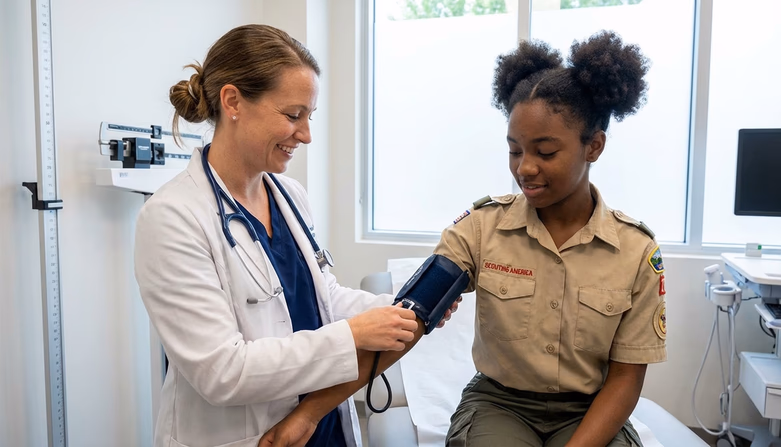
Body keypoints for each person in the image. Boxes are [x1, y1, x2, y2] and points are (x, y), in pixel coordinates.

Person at [134, 24, 439, 447]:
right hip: (252, 436)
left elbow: (321, 299)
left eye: (309, 117)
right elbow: (223, 372)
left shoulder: (289, 195)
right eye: (293, 115)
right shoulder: (172, 217)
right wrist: (355, 335)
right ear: (233, 101)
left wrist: (404, 307)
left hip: (322, 425)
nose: (307, 134)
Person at [435, 31, 667, 447]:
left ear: (593, 146)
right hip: (499, 404)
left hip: (589, 407)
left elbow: (627, 378)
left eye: (544, 152)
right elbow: (414, 311)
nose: (524, 168)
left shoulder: (636, 252)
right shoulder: (480, 228)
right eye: (515, 150)